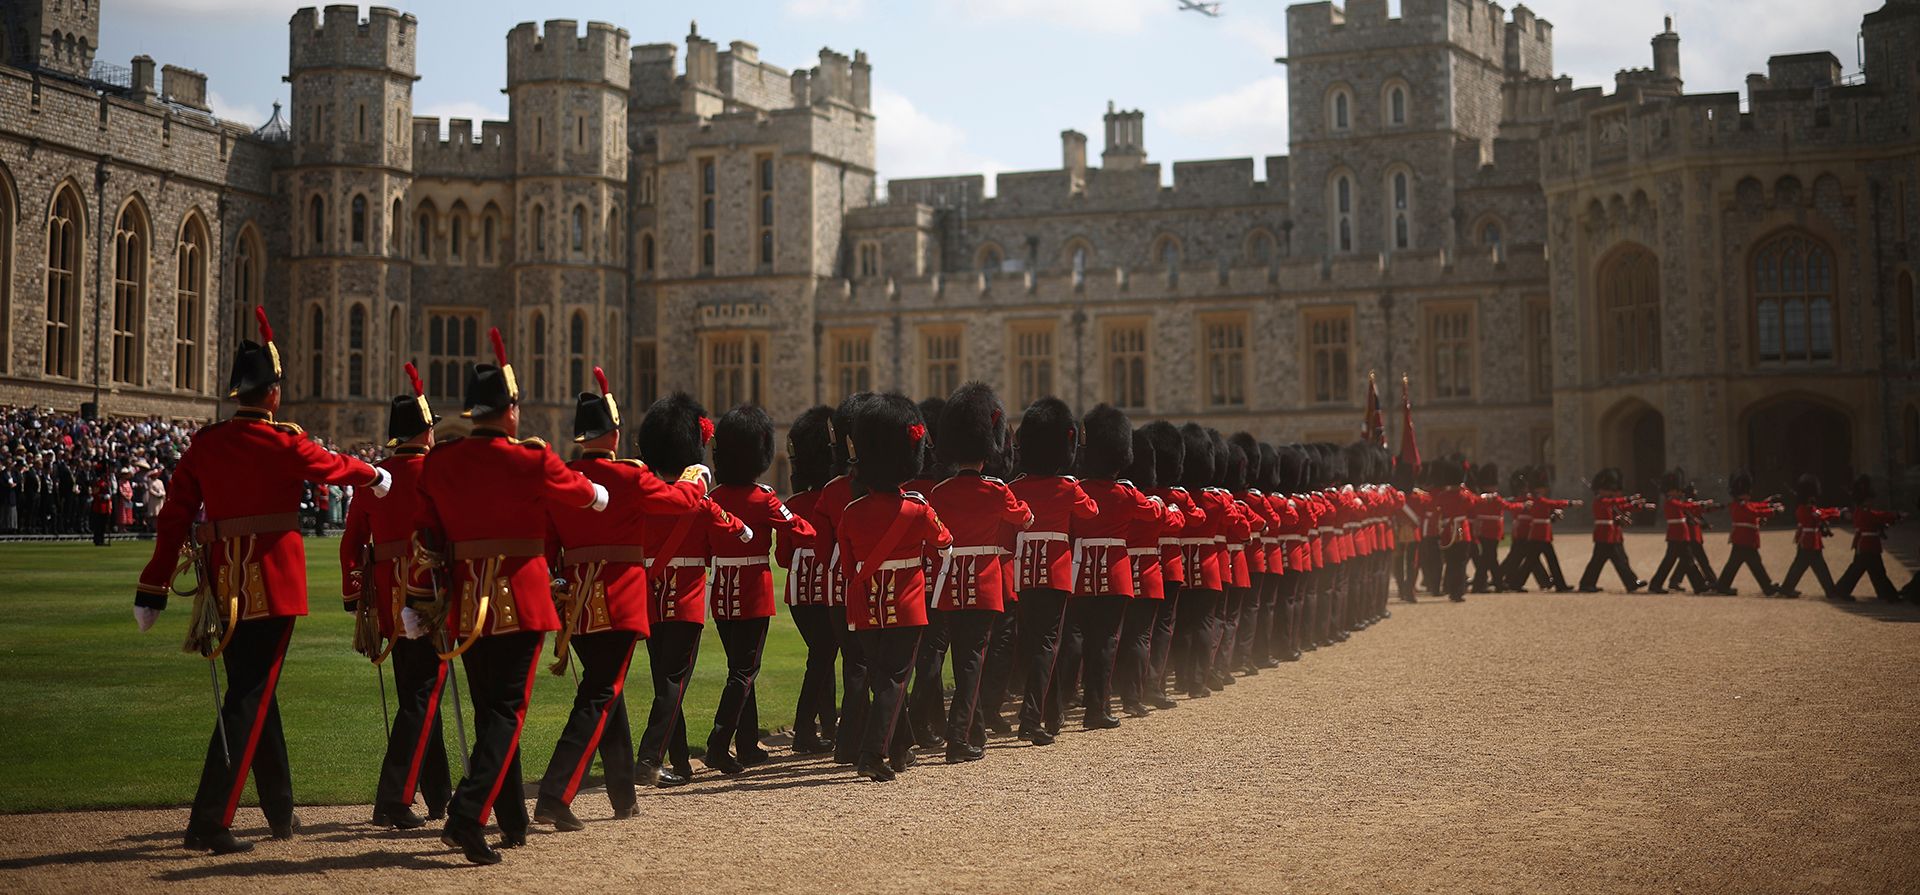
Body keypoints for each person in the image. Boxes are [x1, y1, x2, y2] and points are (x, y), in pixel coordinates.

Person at [134, 307, 389, 856]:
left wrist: (153, 586)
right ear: (272, 393)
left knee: (256, 691)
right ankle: (208, 820)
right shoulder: (284, 443)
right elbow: (334, 466)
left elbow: (173, 517)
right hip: (271, 587)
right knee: (249, 697)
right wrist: (377, 474)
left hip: (221, 590)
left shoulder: (206, 444)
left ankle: (279, 809)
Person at [411, 329, 608, 865]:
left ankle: (512, 820)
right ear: (511, 409)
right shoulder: (531, 459)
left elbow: (424, 532)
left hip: (465, 602)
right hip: (519, 601)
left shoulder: (441, 461)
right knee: (507, 712)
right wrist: (598, 493)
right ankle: (467, 814)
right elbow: (581, 492)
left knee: (488, 711)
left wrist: (414, 597)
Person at [534, 368, 709, 833]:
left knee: (604, 692)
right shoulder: (627, 477)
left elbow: (547, 543)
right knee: (597, 697)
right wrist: (698, 475)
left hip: (574, 604)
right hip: (619, 600)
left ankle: (623, 796)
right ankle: (554, 793)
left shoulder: (567, 478)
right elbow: (682, 503)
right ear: (614, 433)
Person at [338, 363, 452, 831]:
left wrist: (355, 598)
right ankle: (392, 799)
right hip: (429, 596)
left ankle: (439, 793)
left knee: (419, 691)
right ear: (424, 432)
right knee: (423, 695)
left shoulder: (374, 476)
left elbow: (351, 543)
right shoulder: (436, 473)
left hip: (388, 598)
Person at [633, 393, 748, 788]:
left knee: (663, 679)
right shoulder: (698, 502)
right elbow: (732, 531)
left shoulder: (645, 497)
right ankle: (649, 757)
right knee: (674, 681)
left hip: (648, 595)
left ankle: (678, 761)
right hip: (684, 596)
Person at [836, 395, 953, 781]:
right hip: (904, 605)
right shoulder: (916, 509)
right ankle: (872, 754)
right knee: (893, 678)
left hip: (865, 606)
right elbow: (944, 540)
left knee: (881, 676)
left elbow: (850, 564)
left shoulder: (851, 513)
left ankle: (900, 748)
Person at [704, 404, 813, 774]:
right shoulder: (764, 498)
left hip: (721, 590)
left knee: (739, 669)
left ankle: (747, 745)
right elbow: (802, 531)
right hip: (751, 591)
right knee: (744, 671)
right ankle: (718, 744)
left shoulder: (713, 498)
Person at [927, 382, 1032, 762]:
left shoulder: (940, 492)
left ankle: (971, 731)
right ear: (988, 452)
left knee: (960, 656)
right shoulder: (997, 490)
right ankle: (960, 738)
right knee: (973, 659)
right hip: (986, 582)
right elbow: (1022, 517)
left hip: (951, 582)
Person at [1061, 405, 1164, 730]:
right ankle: (1097, 708)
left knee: (1078, 638)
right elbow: (1153, 514)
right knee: (1105, 642)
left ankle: (1064, 700)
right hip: (1116, 573)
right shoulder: (1126, 494)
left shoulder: (1078, 490)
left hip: (1081, 572)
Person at [1008, 398, 1099, 744]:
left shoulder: (1015, 487)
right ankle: (1031, 717)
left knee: (1037, 641)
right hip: (1055, 571)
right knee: (1048, 642)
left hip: (1024, 571)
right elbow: (1090, 512)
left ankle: (1053, 710)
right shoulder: (1068, 488)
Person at [777, 406, 840, 756]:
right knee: (823, 656)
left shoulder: (796, 502)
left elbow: (783, 558)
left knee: (821, 654)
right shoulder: (833, 499)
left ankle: (827, 726)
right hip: (829, 588)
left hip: (799, 594)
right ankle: (805, 730)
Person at [1115, 428, 1184, 715]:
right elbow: (1176, 522)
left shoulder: (1118, 495)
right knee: (1145, 635)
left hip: (1115, 569)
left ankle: (1117, 689)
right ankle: (1144, 689)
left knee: (1119, 634)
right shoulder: (1150, 501)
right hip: (1145, 571)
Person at [1832, 475, 1905, 602]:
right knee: (1875, 572)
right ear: (1865, 500)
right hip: (1868, 545)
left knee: (1868, 571)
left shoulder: (1861, 511)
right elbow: (1878, 517)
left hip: (1866, 545)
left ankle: (1842, 590)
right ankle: (1889, 595)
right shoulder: (1864, 511)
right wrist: (1896, 515)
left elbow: (1876, 518)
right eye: (1869, 500)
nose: (1872, 502)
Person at [1577, 468, 1649, 593]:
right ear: (1600, 490)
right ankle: (1630, 583)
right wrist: (1628, 499)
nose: (1610, 492)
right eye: (1607, 490)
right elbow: (1615, 502)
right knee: (1606, 561)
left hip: (1611, 535)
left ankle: (1588, 583)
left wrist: (1636, 505)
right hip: (1604, 535)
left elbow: (1620, 506)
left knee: (1617, 560)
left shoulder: (1606, 501)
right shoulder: (1600, 501)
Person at [1778, 475, 1843, 600]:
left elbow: (1819, 513)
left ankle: (1788, 587)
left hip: (1812, 541)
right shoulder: (1804, 509)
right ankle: (1830, 591)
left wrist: (1833, 512)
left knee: (1806, 566)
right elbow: (1819, 514)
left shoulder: (1808, 508)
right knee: (1815, 567)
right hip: (1808, 541)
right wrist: (1836, 512)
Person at [1648, 469, 1711, 595]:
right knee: (1671, 562)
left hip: (1681, 536)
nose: (1679, 492)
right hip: (1676, 537)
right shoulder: (1671, 502)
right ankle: (1656, 584)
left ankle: (1699, 585)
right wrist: (1701, 504)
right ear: (1670, 491)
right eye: (1677, 490)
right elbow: (1685, 507)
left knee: (1687, 561)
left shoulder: (1675, 501)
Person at [1430, 459, 1476, 602]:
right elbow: (1472, 503)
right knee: (1460, 562)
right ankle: (1458, 591)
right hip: (1461, 530)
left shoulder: (1442, 495)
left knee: (1450, 561)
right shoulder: (1464, 495)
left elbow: (1437, 511)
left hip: (1448, 531)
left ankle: (1450, 589)